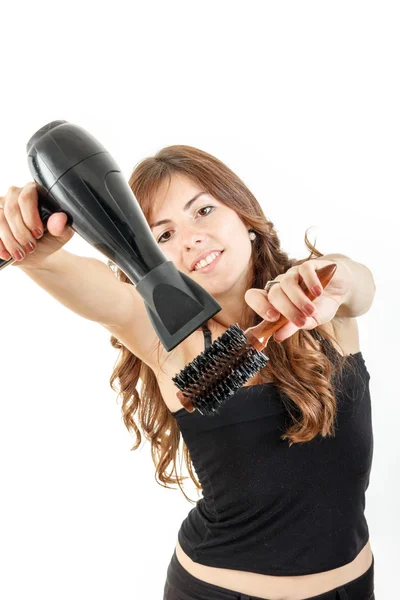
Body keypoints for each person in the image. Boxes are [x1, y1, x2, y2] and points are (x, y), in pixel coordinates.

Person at [0, 145, 376, 600]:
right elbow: (71, 275)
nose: (191, 238)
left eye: (203, 210)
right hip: (215, 590)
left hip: (354, 587)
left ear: (243, 214)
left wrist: (331, 282)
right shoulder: (162, 335)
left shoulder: (321, 304)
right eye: (163, 235)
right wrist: (32, 250)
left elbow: (357, 284)